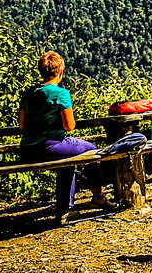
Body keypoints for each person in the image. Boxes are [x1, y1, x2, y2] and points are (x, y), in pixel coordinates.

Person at [18, 51, 115, 223]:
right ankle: (97, 197)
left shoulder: (28, 94)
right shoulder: (61, 94)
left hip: (27, 150)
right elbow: (69, 127)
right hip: (50, 146)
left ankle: (64, 211)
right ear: (61, 71)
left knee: (67, 163)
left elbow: (22, 125)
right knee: (93, 151)